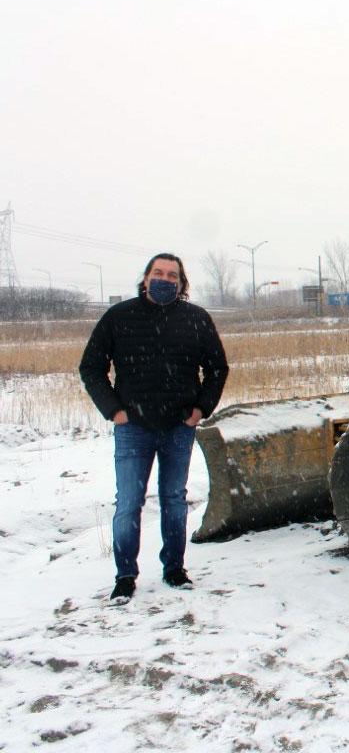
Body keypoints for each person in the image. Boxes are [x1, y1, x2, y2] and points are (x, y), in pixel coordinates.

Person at [79, 253, 228, 604]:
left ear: (181, 282)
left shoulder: (196, 319)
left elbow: (218, 368)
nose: (165, 279)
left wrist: (201, 409)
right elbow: (91, 367)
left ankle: (174, 568)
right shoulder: (119, 317)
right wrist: (114, 410)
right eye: (158, 273)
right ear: (145, 279)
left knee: (174, 500)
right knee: (129, 503)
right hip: (134, 428)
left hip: (179, 427)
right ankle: (125, 575)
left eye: (172, 275)